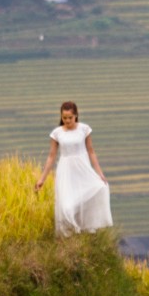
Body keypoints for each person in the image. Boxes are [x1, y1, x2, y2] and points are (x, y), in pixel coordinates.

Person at [34, 99, 112, 236]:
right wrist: (42, 179)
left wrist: (100, 173)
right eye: (64, 118)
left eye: (70, 117)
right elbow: (51, 156)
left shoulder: (84, 129)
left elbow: (91, 151)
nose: (67, 121)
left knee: (100, 188)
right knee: (66, 206)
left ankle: (83, 230)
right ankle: (70, 232)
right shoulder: (57, 133)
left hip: (83, 169)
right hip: (66, 171)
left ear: (76, 115)